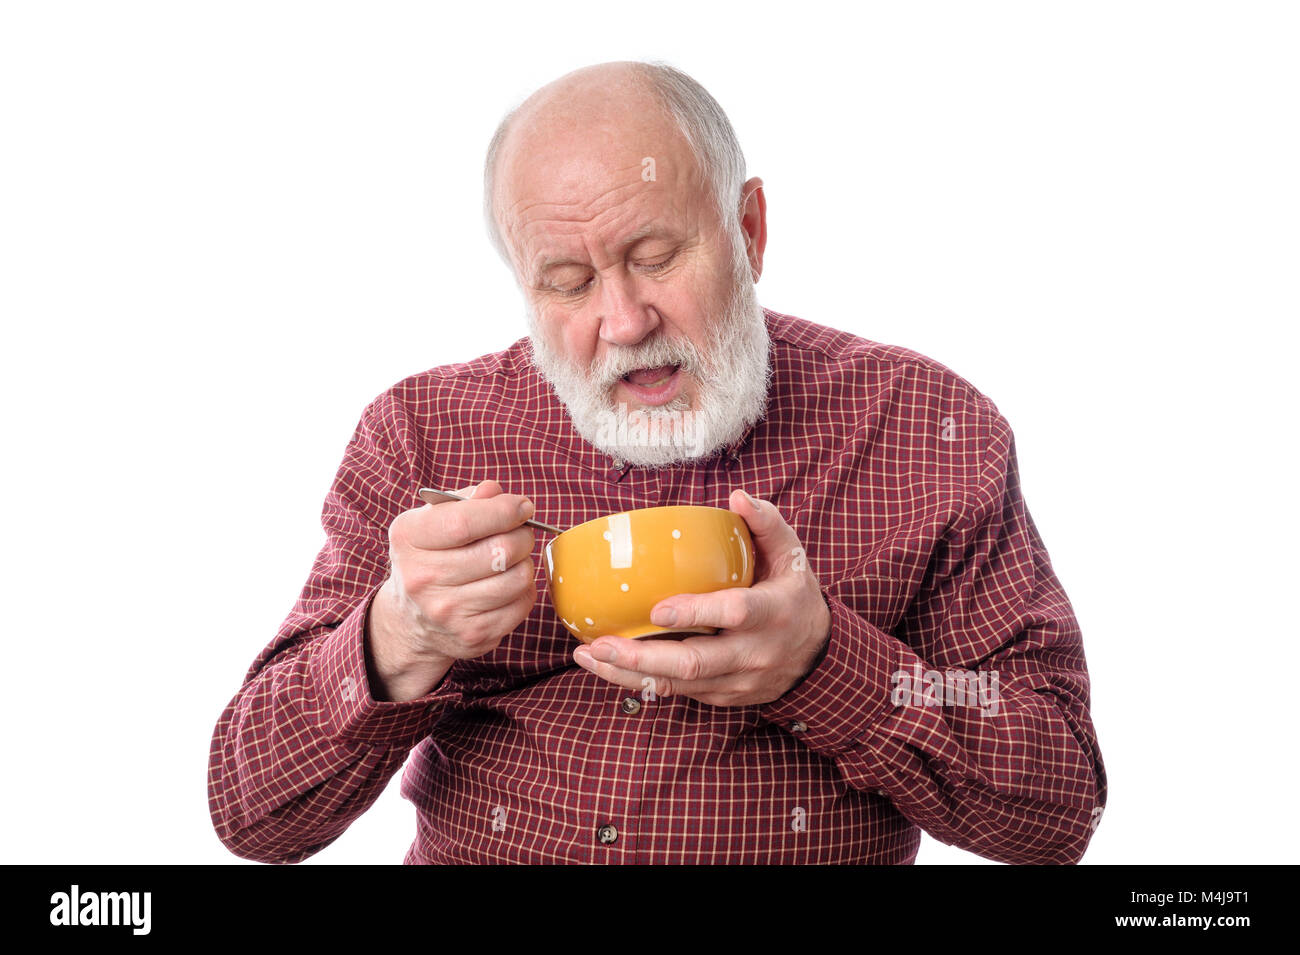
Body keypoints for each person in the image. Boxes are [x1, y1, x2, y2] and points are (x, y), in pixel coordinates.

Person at [207, 60, 1107, 864]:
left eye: (656, 256)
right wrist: (400, 637)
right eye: (567, 280)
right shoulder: (421, 430)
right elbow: (252, 814)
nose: (625, 320)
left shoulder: (923, 423)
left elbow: (1059, 799)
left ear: (749, 230)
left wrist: (826, 666)